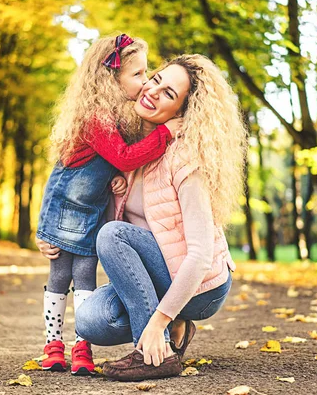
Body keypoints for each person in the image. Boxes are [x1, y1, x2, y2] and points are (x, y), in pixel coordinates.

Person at [72, 54, 248, 381]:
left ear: (182, 112)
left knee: (113, 234)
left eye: (169, 93)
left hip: (200, 286)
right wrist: (50, 233)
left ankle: (154, 352)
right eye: (156, 79)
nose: (153, 90)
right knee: (91, 321)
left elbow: (199, 255)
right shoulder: (134, 146)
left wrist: (157, 322)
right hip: (155, 275)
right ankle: (177, 330)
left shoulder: (186, 160)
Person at [34, 33, 181, 376]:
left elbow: (113, 160)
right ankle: (53, 344)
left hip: (94, 210)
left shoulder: (115, 117)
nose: (145, 82)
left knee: (85, 274)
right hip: (66, 211)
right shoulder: (97, 116)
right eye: (138, 74)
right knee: (59, 274)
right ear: (112, 78)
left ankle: (81, 345)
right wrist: (165, 133)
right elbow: (119, 158)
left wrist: (115, 177)